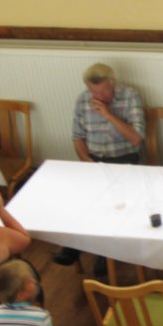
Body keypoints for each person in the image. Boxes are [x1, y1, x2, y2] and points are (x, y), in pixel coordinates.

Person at [53, 62, 146, 268]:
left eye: (104, 91)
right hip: (94, 160)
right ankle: (73, 246)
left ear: (112, 83)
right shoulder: (83, 100)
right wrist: (85, 159)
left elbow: (136, 138)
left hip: (124, 159)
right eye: (94, 91)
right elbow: (77, 136)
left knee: (113, 203)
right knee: (82, 199)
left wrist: (108, 114)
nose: (99, 96)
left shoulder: (130, 96)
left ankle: (107, 253)